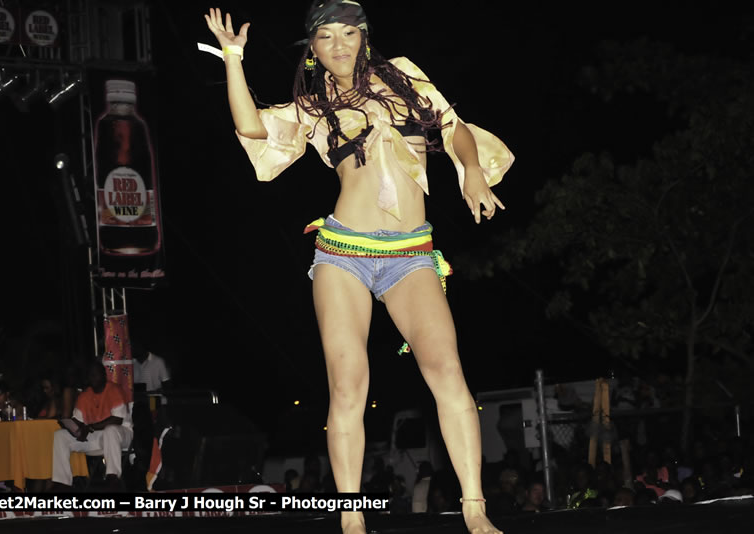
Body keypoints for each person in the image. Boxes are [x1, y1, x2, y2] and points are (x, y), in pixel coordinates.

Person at [204, 2, 513, 532]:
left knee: (447, 372)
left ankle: (475, 510)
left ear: (365, 38)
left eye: (349, 33)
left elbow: (455, 127)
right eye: (326, 37)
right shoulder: (314, 104)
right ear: (314, 52)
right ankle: (351, 520)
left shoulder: (406, 77)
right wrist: (233, 59)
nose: (340, 44)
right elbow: (253, 130)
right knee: (348, 385)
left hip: (411, 255)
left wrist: (471, 171)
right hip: (344, 253)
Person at [52, 361, 133, 489]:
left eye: (96, 375)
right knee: (60, 436)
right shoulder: (85, 396)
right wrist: (67, 425)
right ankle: (62, 483)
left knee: (110, 430)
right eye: (91, 375)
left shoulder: (114, 390)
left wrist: (90, 427)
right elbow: (78, 421)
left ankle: (113, 477)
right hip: (96, 437)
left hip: (121, 435)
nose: (93, 378)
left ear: (104, 375)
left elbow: (117, 420)